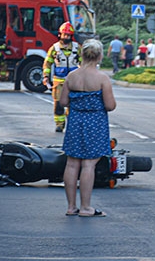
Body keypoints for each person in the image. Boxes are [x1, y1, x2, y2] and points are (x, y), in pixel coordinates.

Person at [59, 39, 116, 217]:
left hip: (75, 121)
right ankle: (85, 207)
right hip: (95, 123)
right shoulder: (102, 78)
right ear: (99, 56)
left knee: (72, 163)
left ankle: (71, 206)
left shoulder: (71, 76)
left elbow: (63, 102)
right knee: (89, 164)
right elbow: (110, 105)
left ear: (82, 55)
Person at [43, 22, 81, 132]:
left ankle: (71, 124)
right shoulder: (54, 48)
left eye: (68, 35)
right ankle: (59, 124)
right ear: (60, 35)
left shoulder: (77, 48)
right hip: (58, 82)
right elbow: (47, 63)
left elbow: (83, 63)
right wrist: (45, 76)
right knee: (58, 103)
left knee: (73, 103)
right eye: (64, 35)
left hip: (74, 81)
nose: (66, 37)